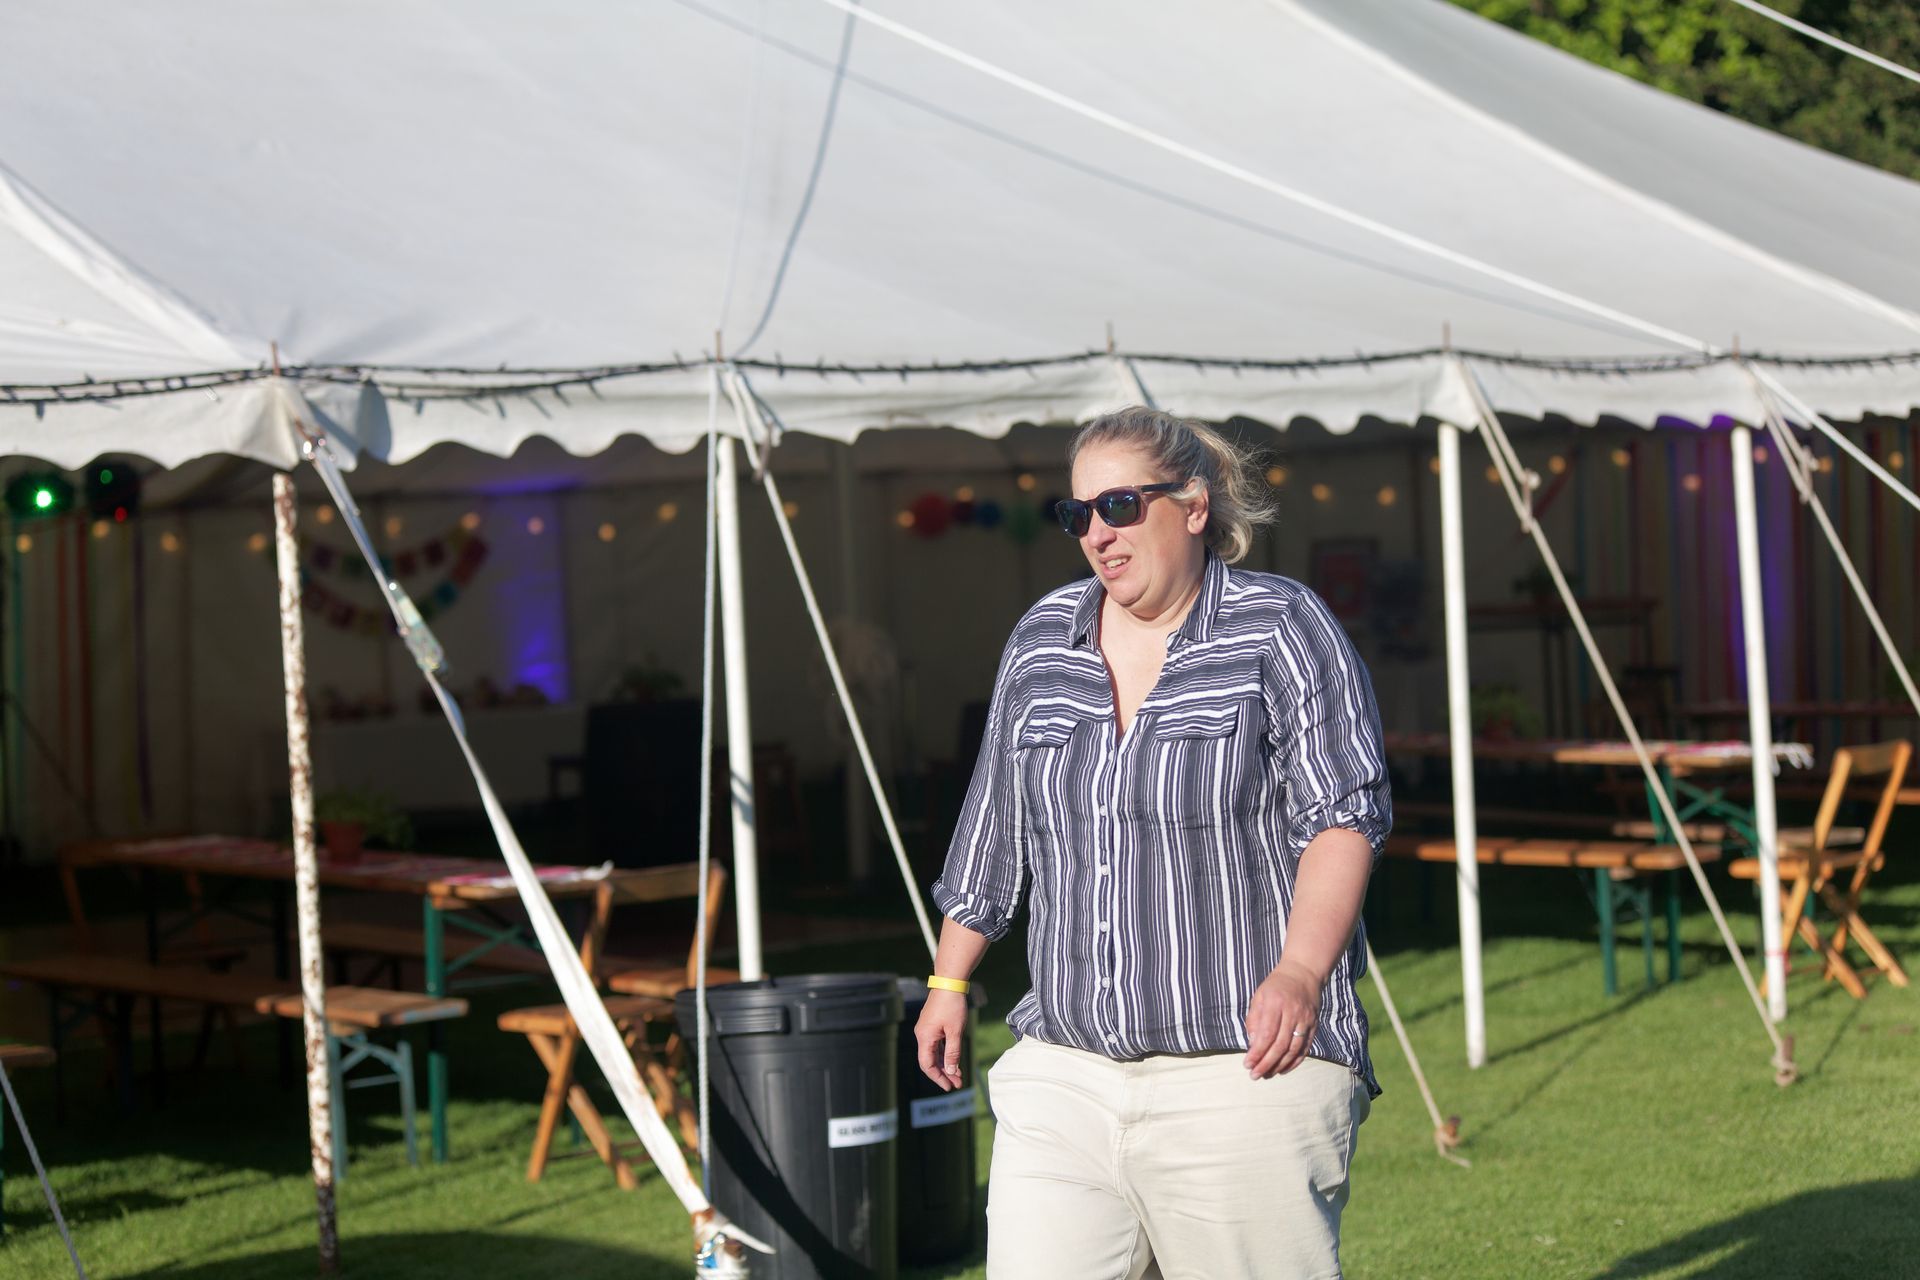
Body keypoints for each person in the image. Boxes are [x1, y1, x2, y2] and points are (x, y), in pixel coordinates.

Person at [916, 406, 1390, 1280]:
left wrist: (1298, 972)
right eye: (1079, 513)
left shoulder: (1282, 627)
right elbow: (994, 824)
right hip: (1066, 1069)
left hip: (1245, 1071)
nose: (1098, 532)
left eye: (1122, 505)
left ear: (1195, 506)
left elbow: (1342, 816)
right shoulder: (1041, 641)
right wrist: (949, 979)